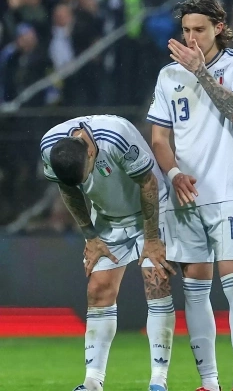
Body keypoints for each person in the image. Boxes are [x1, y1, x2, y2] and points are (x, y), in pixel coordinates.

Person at [147, 0, 233, 391]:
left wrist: (201, 72)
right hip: (186, 196)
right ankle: (209, 382)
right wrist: (174, 173)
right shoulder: (168, 75)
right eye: (186, 30)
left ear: (219, 27)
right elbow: (159, 138)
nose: (191, 38)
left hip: (229, 191)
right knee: (195, 289)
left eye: (199, 29)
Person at [39, 115, 176, 391]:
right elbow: (68, 189)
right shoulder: (50, 146)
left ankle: (158, 380)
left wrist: (151, 239)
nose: (85, 181)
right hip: (107, 218)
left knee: (156, 282)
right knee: (98, 289)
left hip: (151, 211)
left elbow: (148, 183)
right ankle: (92, 382)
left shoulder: (116, 136)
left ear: (91, 152)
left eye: (86, 175)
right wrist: (90, 236)